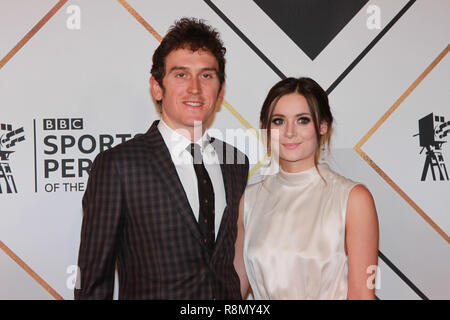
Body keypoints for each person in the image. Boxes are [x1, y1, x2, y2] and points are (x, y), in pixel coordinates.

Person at [75, 18, 249, 299]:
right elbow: (94, 280)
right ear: (157, 87)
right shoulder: (119, 165)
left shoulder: (236, 162)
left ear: (220, 90)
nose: (195, 88)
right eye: (181, 75)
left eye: (206, 75)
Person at [233, 77, 379, 299]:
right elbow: (235, 292)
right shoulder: (249, 201)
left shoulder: (352, 199)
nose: (289, 132)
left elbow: (361, 293)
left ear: (323, 125)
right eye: (279, 121)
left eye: (302, 120)